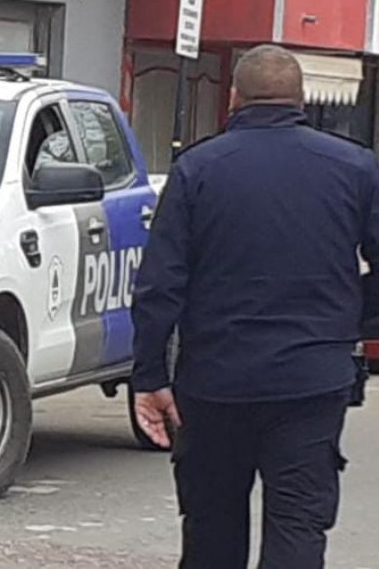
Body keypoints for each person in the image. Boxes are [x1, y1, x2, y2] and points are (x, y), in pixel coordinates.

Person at [131, 44, 379, 569]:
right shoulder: (356, 168)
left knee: (212, 525)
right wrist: (353, 319)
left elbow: (159, 283)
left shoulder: (198, 168)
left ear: (235, 99)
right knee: (298, 523)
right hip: (312, 378)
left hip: (216, 380)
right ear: (302, 99)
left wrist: (150, 375)